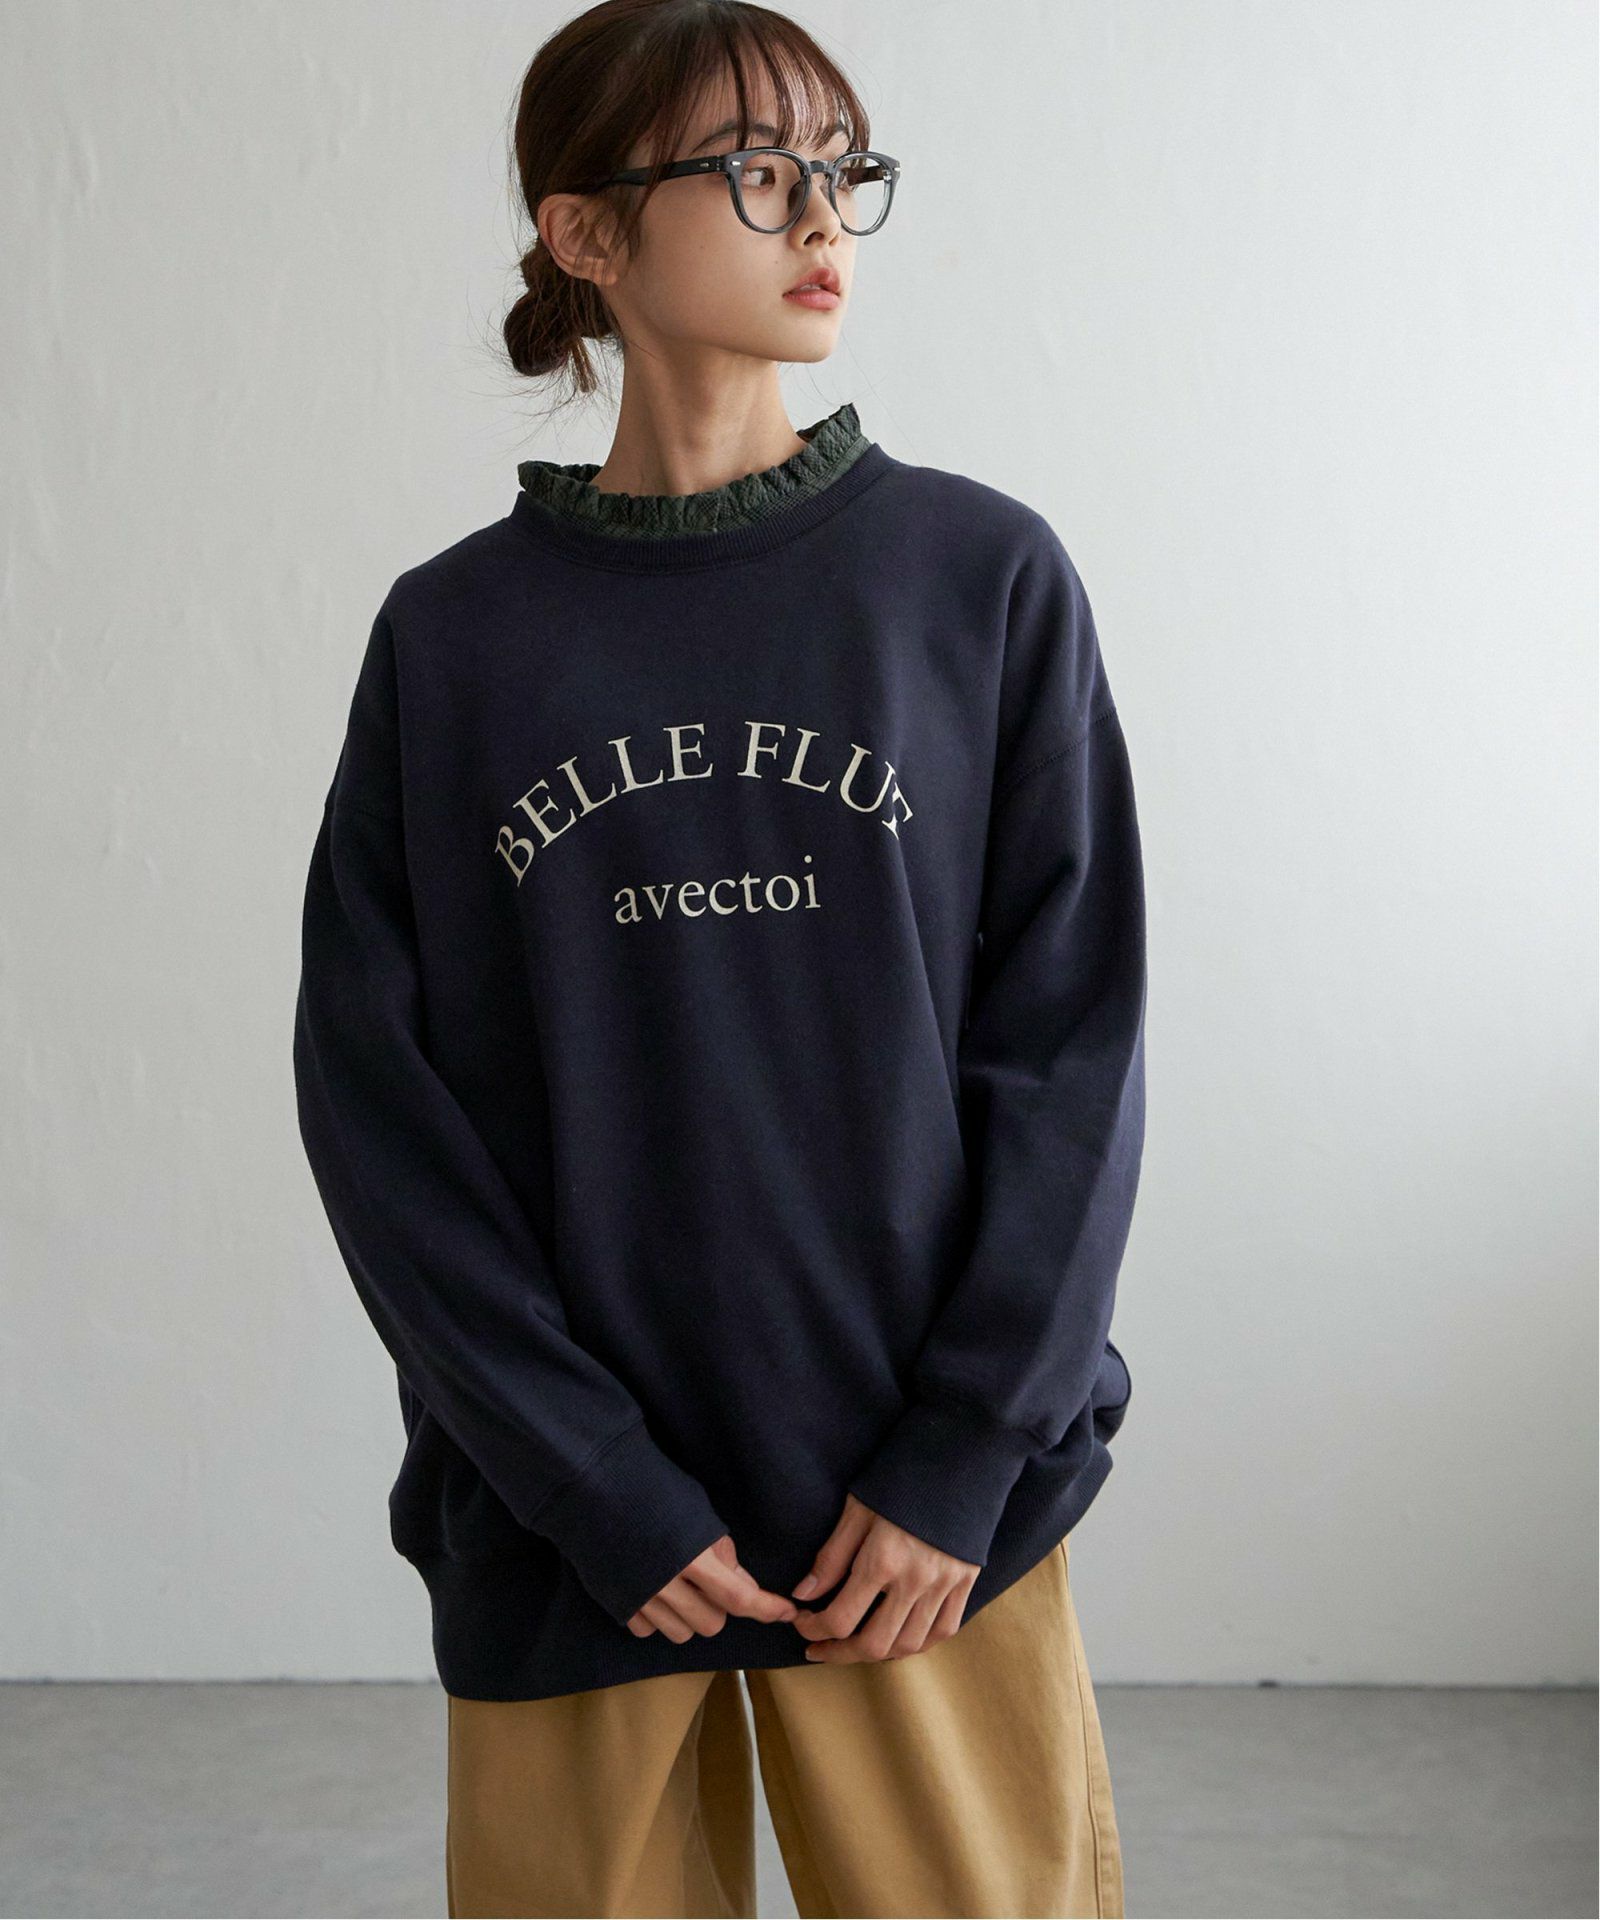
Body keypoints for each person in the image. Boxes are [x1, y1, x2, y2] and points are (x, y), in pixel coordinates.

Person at [292, 2, 1146, 1913]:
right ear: (588, 231)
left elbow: (1073, 1055)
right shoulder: (455, 644)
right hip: (580, 1529)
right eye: (759, 172)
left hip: (912, 1527)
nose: (821, 216)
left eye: (843, 170)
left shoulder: (977, 583)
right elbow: (378, 1112)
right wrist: (584, 1474)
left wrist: (962, 1453)